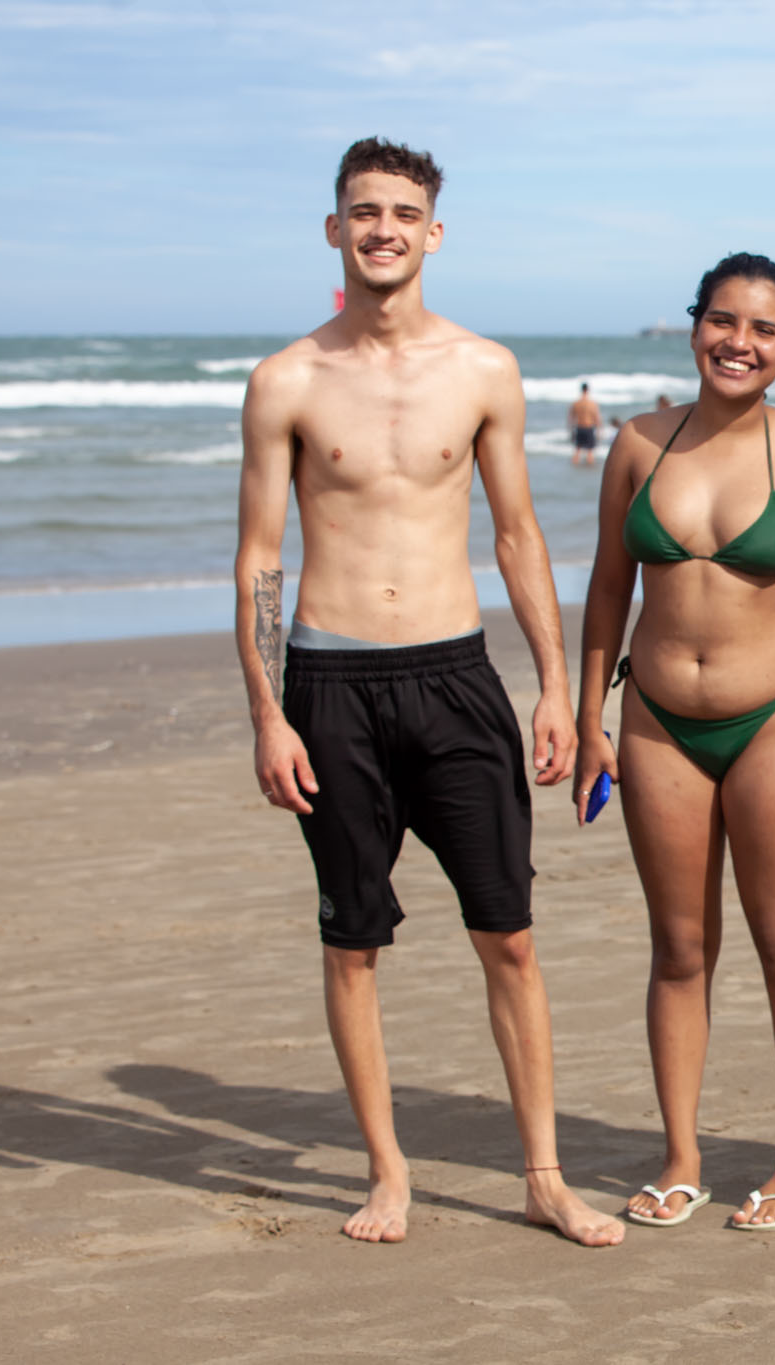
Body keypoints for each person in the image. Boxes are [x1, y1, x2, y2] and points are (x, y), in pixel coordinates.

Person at [234, 137, 620, 1248]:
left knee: (510, 934)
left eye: (404, 213)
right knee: (351, 941)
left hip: (455, 676)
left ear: (434, 233)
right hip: (331, 685)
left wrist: (554, 689)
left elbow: (517, 533)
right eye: (365, 212)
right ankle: (388, 1172)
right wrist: (268, 712)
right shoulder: (286, 381)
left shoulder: (483, 370)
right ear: (334, 229)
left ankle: (544, 1177)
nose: (383, 229)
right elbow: (261, 556)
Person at [575, 253, 775, 1232]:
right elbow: (607, 589)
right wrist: (588, 718)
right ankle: (680, 1157)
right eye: (722, 320)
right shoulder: (636, 443)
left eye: (763, 329)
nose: (738, 342)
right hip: (655, 720)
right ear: (696, 323)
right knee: (677, 947)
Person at [569, 381, 602, 466]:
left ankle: (574, 469)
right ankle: (589, 470)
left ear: (581, 390)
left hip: (579, 428)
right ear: (588, 390)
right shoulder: (592, 403)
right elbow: (597, 418)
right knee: (590, 452)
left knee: (577, 451)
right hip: (589, 428)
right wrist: (599, 431)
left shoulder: (576, 403)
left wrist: (571, 431)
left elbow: (571, 419)